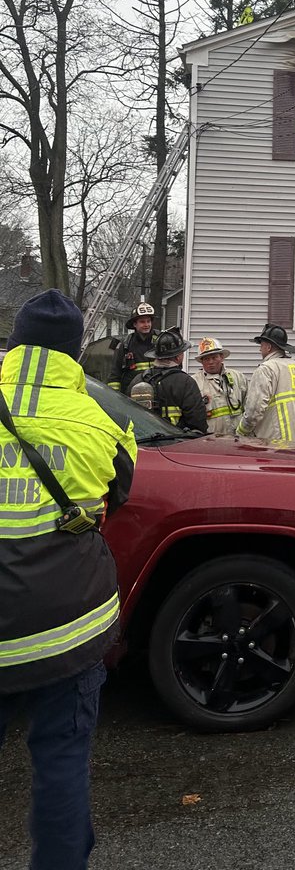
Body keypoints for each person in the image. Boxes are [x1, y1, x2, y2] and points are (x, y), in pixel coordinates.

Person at [0, 289, 136, 868]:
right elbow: (120, 492)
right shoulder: (101, 422)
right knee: (60, 761)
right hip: (69, 628)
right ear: (74, 352)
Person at [236, 324, 295, 445]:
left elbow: (254, 410)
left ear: (268, 347)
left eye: (261, 345)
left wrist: (241, 431)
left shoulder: (266, 369)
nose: (260, 349)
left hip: (276, 444)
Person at [129, 329, 208, 434]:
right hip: (175, 446)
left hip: (143, 446)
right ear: (178, 357)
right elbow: (198, 423)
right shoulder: (186, 382)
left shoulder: (138, 380)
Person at [191, 337, 248, 436]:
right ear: (201, 361)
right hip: (211, 441)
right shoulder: (194, 382)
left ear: (222, 357)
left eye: (214, 357)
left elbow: (249, 407)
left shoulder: (238, 377)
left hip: (238, 438)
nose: (211, 362)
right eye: (206, 359)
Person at [107, 300, 159, 395]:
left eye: (148, 321)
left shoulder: (161, 341)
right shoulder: (125, 344)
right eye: (142, 322)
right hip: (131, 395)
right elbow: (115, 374)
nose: (147, 325)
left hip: (158, 393)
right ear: (134, 324)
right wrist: (114, 397)